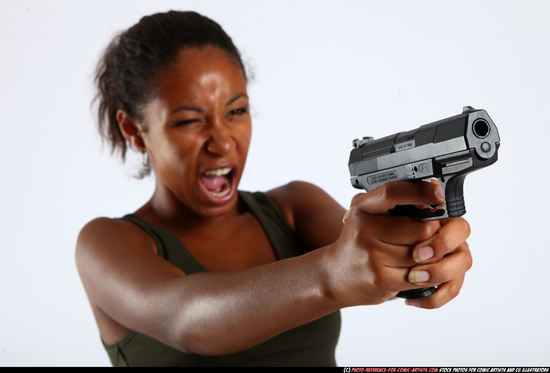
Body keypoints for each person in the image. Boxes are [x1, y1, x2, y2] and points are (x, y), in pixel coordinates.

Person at [75, 10, 472, 367]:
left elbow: (368, 253)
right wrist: (331, 276)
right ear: (133, 130)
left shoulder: (294, 207)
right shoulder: (107, 244)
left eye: (236, 111)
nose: (222, 141)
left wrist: (421, 248)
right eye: (189, 121)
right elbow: (185, 319)